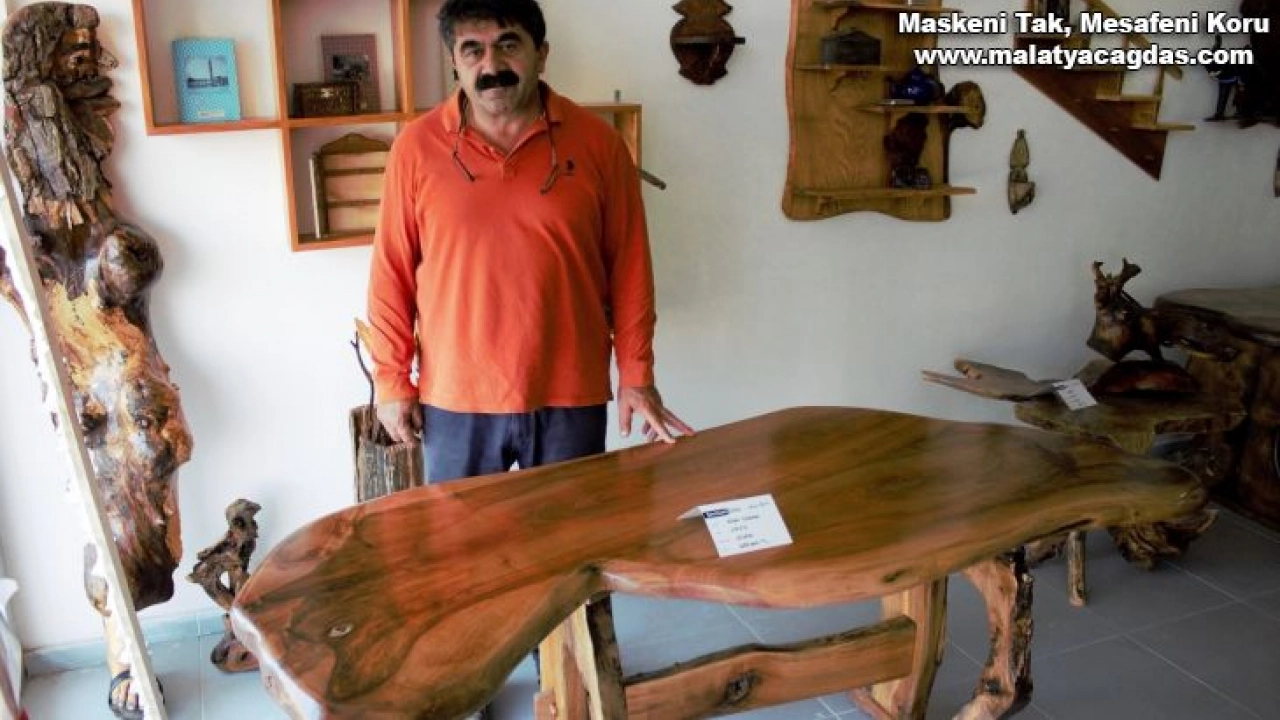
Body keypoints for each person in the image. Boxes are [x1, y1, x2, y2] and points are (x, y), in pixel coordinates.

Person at [367, 0, 692, 486]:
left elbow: (630, 269)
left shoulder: (599, 144)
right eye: (472, 50)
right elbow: (391, 274)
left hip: (569, 394)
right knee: (461, 535)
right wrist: (392, 381)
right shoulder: (414, 149)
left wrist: (637, 373)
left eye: (508, 45)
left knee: (571, 532)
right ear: (453, 61)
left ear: (541, 54)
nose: (491, 66)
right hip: (456, 400)